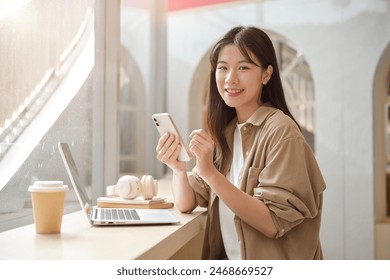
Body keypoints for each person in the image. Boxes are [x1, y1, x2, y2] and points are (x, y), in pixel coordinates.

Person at [156, 26, 326, 260]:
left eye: (244, 67)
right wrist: (178, 168)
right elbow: (187, 203)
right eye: (222, 68)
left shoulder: (282, 132)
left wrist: (210, 173)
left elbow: (272, 222)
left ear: (266, 74)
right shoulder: (225, 132)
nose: (230, 78)